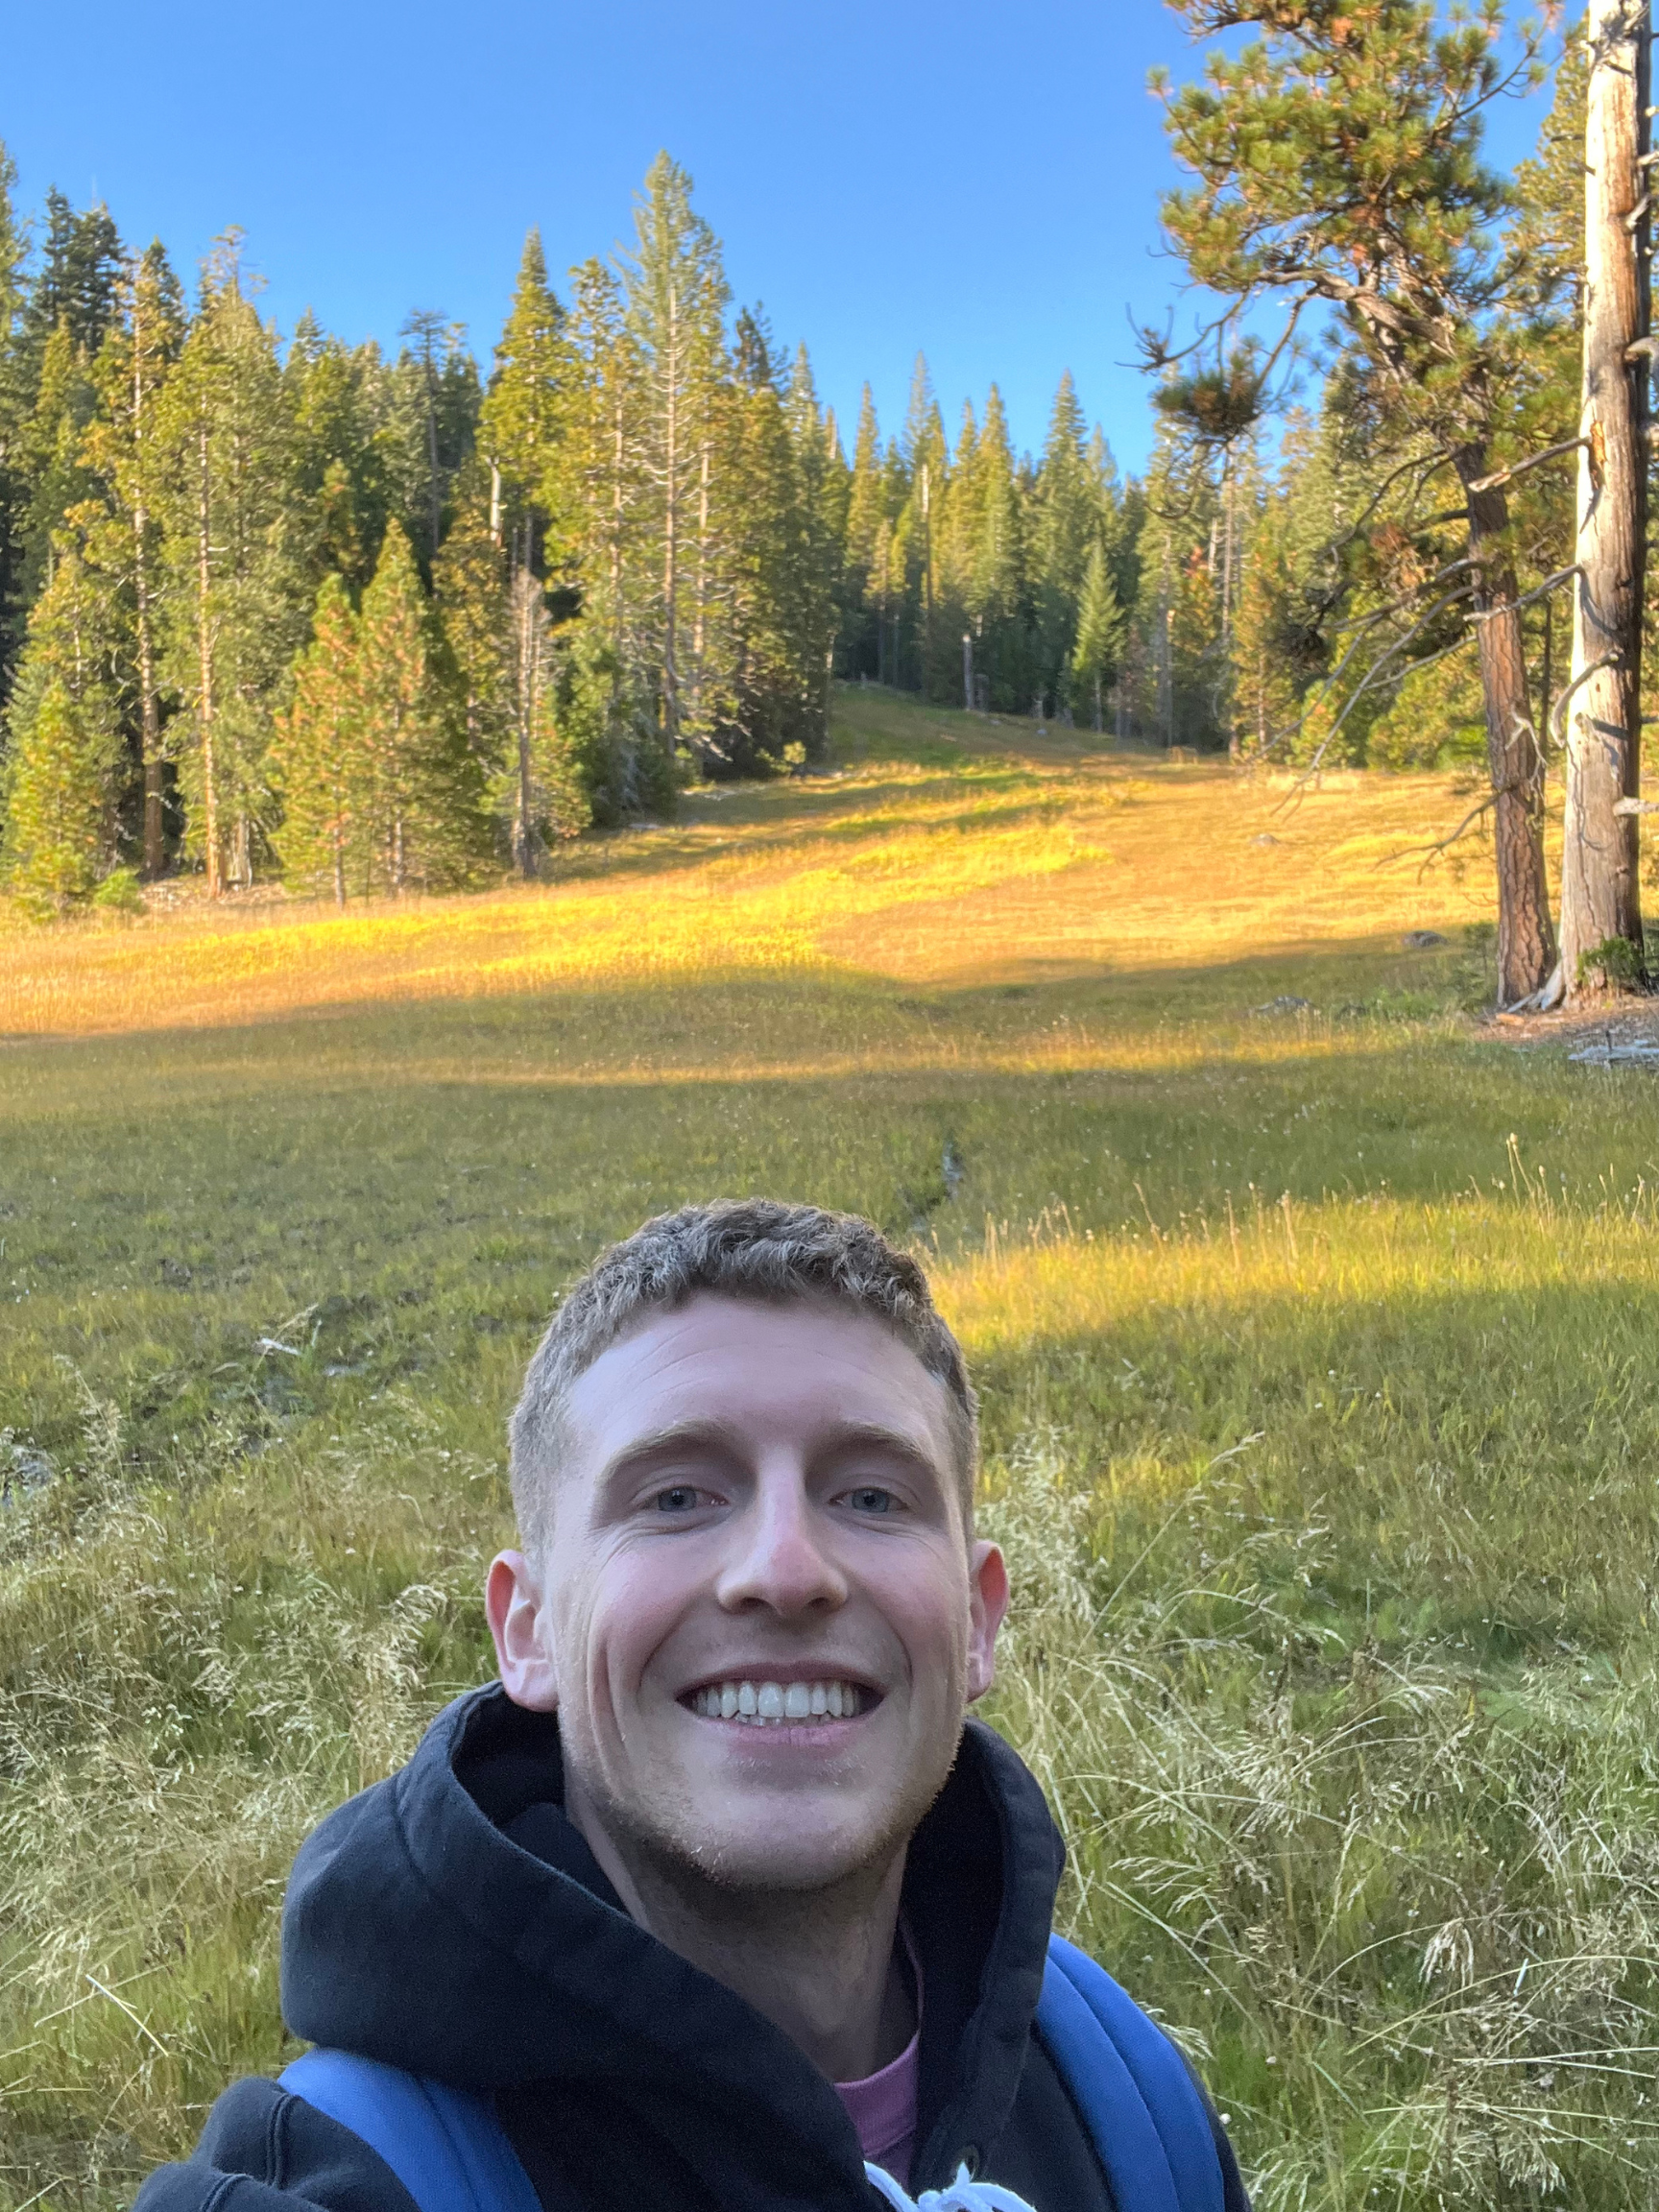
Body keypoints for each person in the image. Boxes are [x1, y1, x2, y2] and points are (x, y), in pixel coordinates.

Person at [135, 1201, 1249, 2212]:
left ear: (975, 1621)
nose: (785, 1568)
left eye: (870, 1493)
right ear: (528, 1631)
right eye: (676, 1497)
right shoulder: (353, 2181)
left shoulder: (1127, 2102)